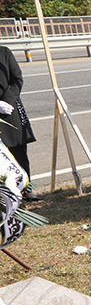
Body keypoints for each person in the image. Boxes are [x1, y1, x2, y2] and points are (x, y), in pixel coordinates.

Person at [0, 45, 37, 201]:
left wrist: (5, 101)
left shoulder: (4, 52)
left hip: (9, 107)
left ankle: (26, 188)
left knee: (18, 150)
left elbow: (17, 78)